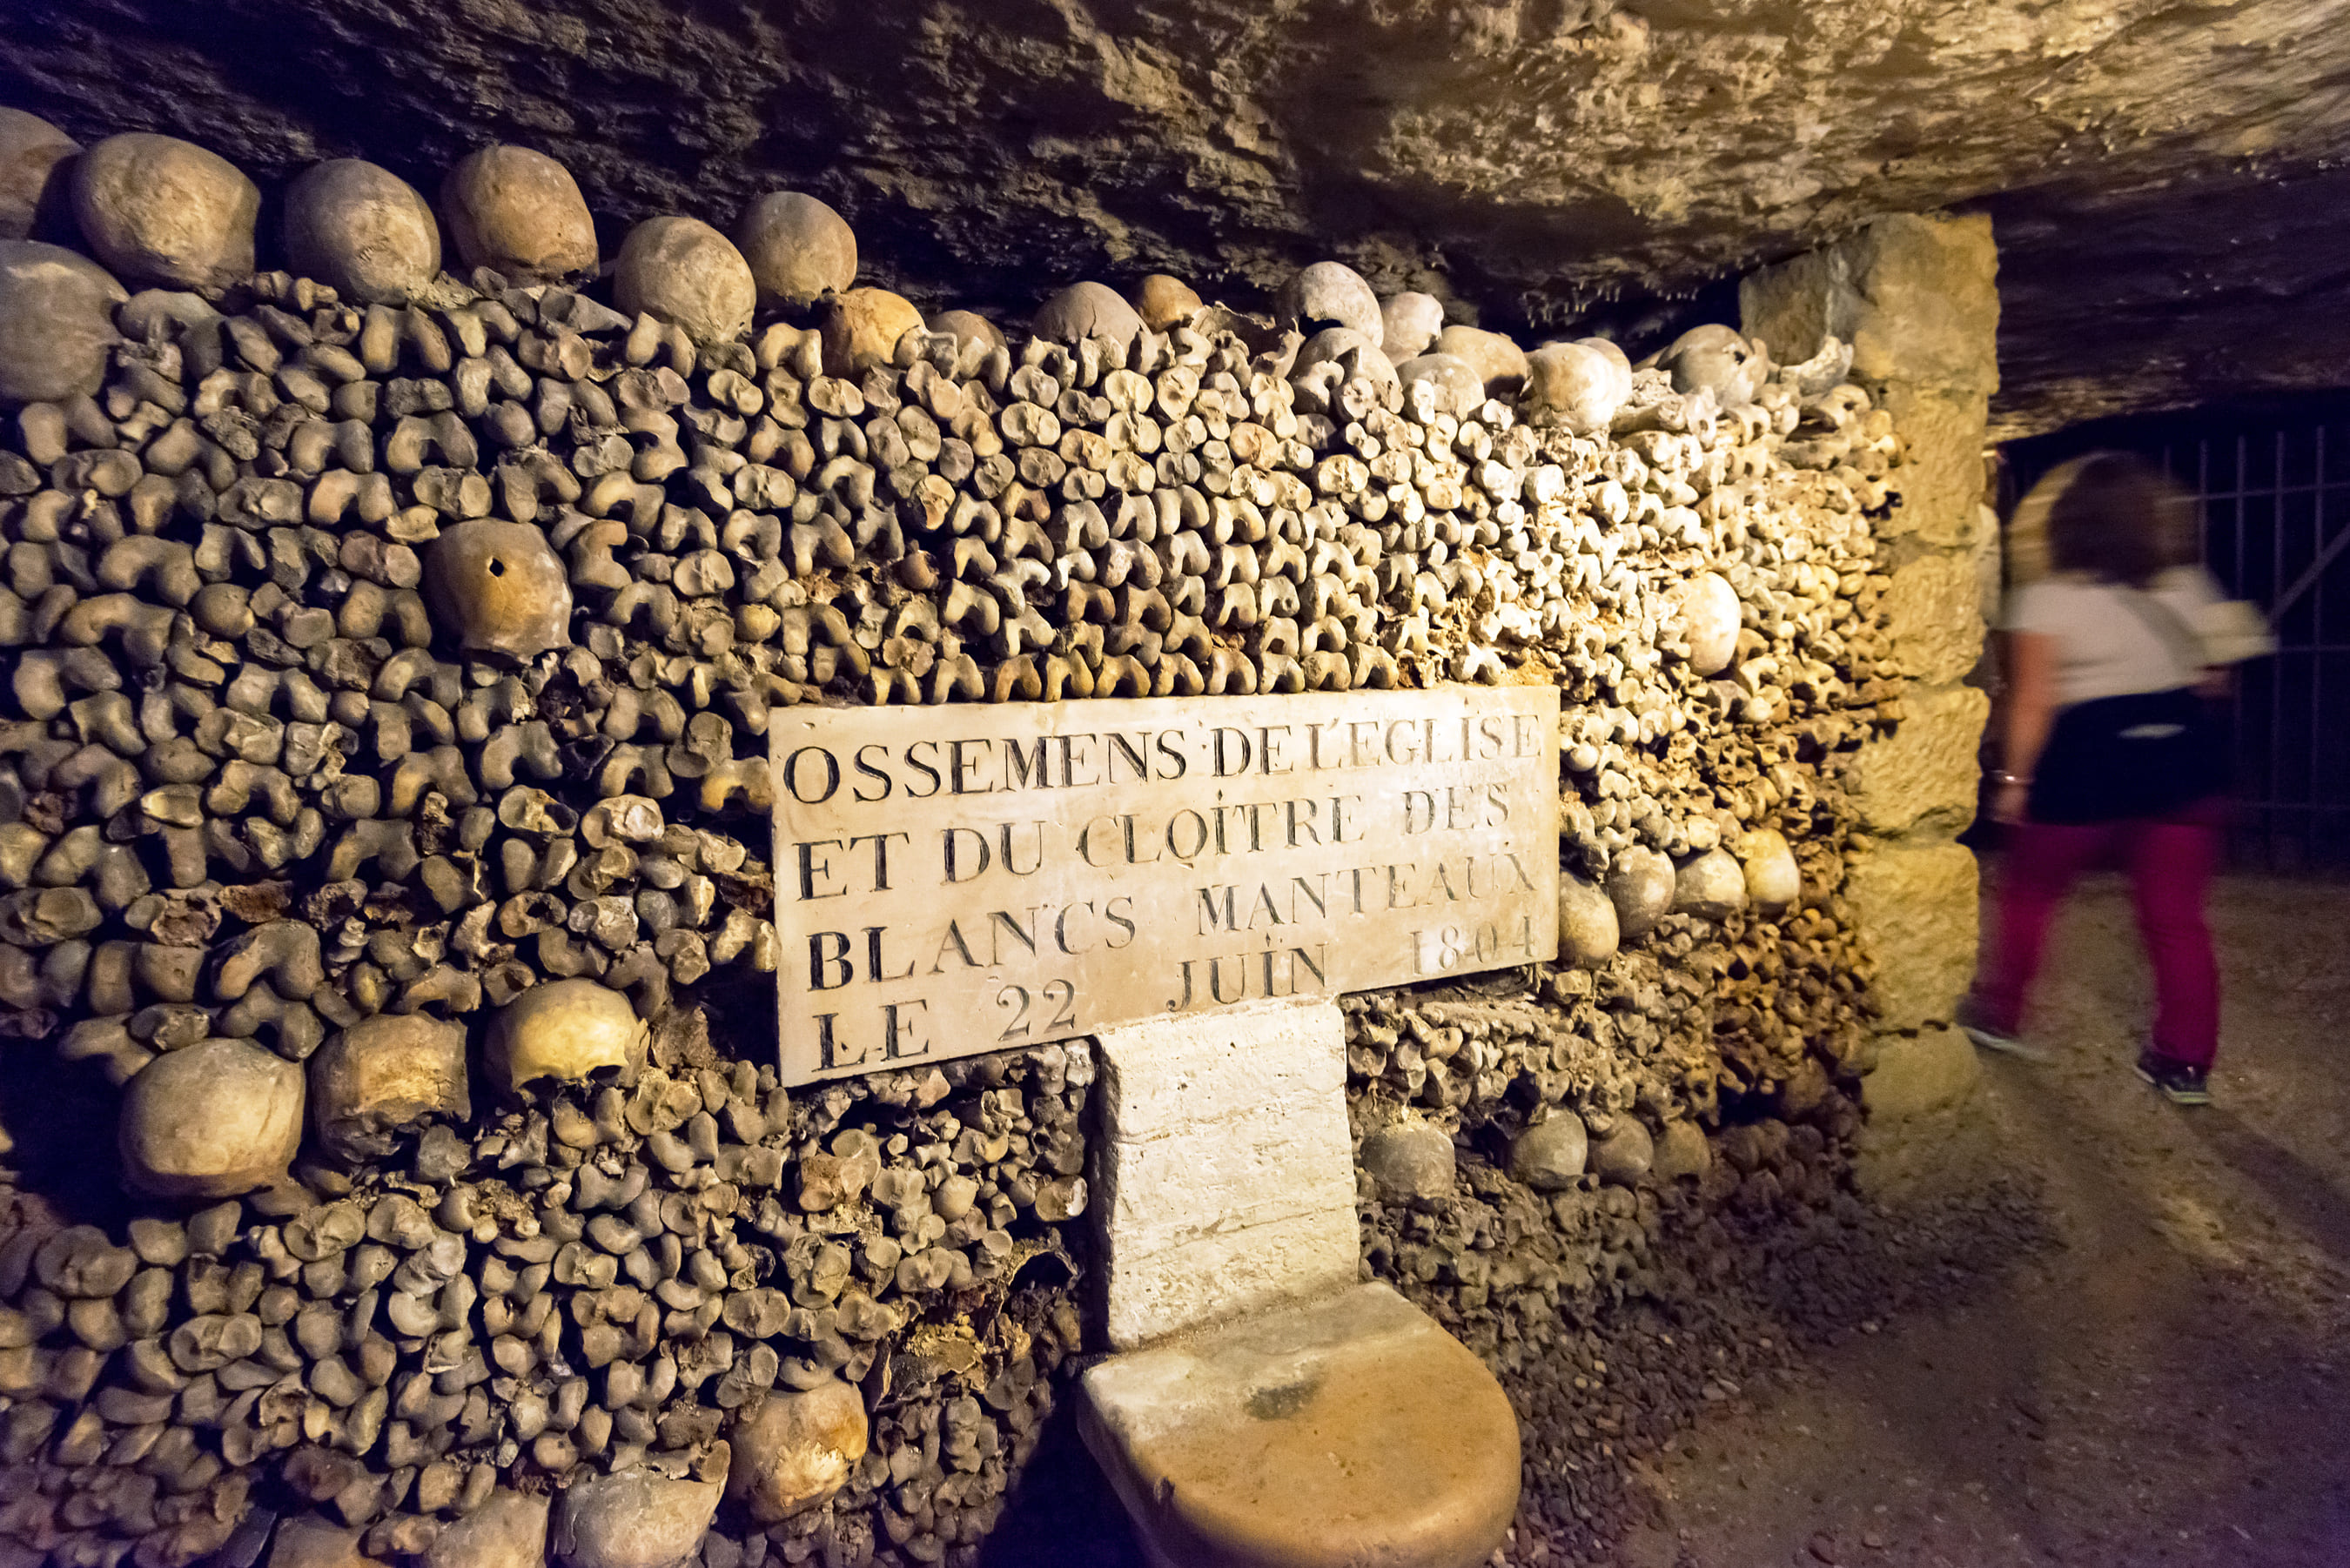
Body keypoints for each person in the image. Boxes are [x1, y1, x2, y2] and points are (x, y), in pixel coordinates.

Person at [1959, 452, 2265, 1105]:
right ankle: (2184, 1065)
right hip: (2182, 775)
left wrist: (2014, 780)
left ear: (2067, 523)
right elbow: (2218, 678)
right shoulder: (2187, 584)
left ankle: (2003, 1015)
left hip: (2085, 770)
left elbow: (2035, 699)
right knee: (2176, 920)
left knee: (2032, 895)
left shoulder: (2044, 598)